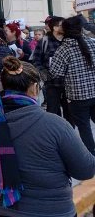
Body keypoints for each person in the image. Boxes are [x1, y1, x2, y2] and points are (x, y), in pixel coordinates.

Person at [0, 56, 95, 217]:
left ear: (2, 84)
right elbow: (86, 170)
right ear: (34, 88)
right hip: (49, 211)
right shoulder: (56, 125)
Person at [50, 15, 95, 154]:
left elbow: (55, 72)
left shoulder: (63, 49)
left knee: (84, 126)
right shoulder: (92, 43)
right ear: (81, 29)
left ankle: (91, 154)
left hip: (77, 96)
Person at [31, 17, 70, 122]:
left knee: (69, 113)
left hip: (69, 84)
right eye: (62, 25)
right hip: (51, 84)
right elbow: (36, 60)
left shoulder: (69, 40)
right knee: (53, 113)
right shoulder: (45, 41)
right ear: (55, 27)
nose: (64, 27)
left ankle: (69, 135)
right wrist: (43, 72)